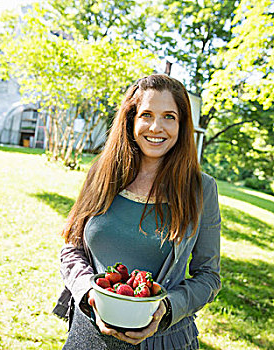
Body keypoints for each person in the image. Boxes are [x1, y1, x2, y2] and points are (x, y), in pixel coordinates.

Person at [52, 74, 221, 349]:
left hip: (163, 340)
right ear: (131, 120)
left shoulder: (201, 189)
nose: (156, 127)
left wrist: (165, 308)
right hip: (88, 335)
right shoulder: (102, 173)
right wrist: (88, 295)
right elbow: (72, 248)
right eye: (146, 115)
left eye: (169, 116)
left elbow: (208, 276)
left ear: (182, 124)